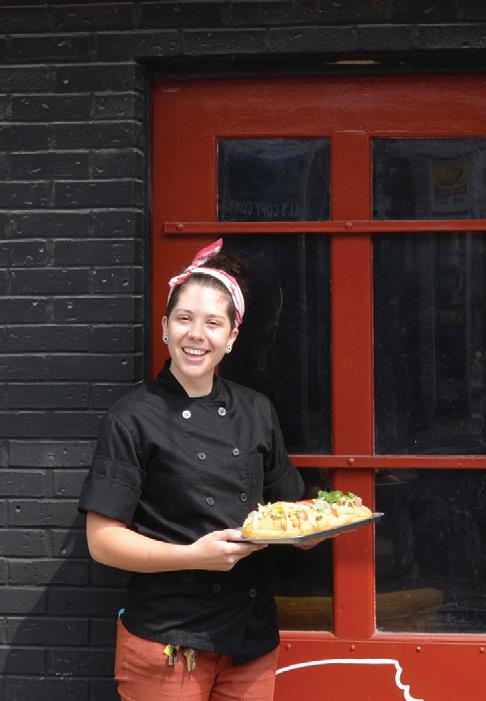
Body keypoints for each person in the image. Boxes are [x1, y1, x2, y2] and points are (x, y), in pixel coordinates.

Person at [78, 238, 307, 701]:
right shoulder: (132, 417)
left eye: (213, 323)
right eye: (184, 319)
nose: (196, 334)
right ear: (165, 327)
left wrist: (312, 531)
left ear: (232, 336)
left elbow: (291, 509)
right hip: (168, 640)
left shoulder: (257, 410)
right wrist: (193, 556)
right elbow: (102, 542)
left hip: (250, 639)